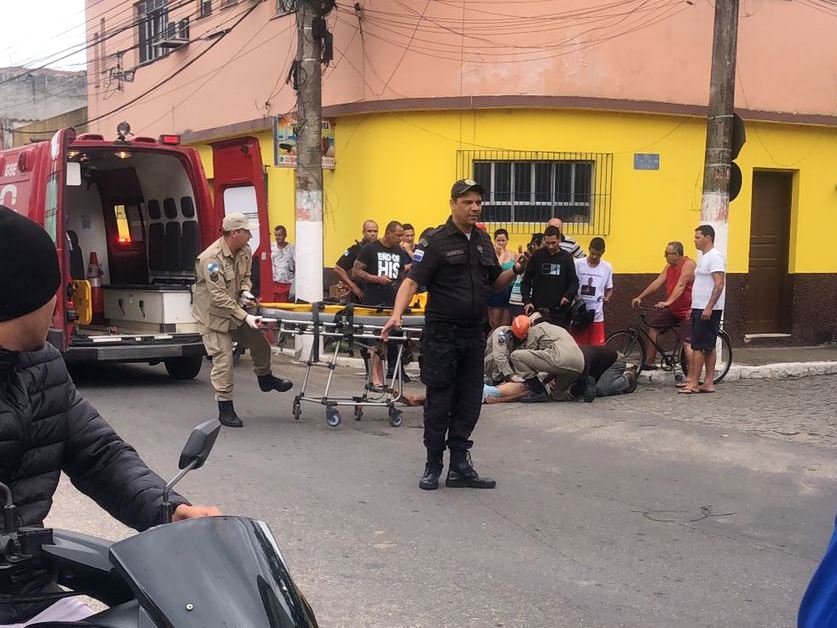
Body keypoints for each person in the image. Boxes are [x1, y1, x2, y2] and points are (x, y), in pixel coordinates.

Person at [0, 206, 220, 627]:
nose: (58, 303)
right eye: (51, 289)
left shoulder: (43, 365)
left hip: (30, 594)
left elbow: (98, 454)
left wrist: (168, 510)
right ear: (14, 299)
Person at [381, 178, 522, 491]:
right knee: (440, 401)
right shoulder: (435, 241)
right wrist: (396, 314)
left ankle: (460, 465)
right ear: (453, 204)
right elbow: (412, 282)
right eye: (468, 202)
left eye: (478, 202)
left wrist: (517, 269)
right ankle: (433, 464)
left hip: (474, 335)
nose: (474, 207)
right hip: (442, 336)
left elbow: (495, 283)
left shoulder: (484, 241)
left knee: (470, 401)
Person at [193, 213, 293, 428]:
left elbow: (245, 277)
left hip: (235, 311)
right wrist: (245, 316)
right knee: (224, 360)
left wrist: (246, 292)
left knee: (260, 344)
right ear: (235, 233)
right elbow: (218, 296)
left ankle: (265, 378)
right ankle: (225, 407)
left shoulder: (245, 251)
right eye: (247, 231)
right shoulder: (211, 259)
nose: (250, 235)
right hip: (213, 318)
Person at [352, 221, 406, 386]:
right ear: (388, 233)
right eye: (398, 235)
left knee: (386, 340)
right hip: (373, 300)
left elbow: (402, 272)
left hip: (392, 301)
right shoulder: (371, 249)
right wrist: (376, 279)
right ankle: (374, 377)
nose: (401, 238)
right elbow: (356, 271)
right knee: (373, 340)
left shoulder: (399, 251)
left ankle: (383, 376)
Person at [632, 241, 695, 370]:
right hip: (674, 309)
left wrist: (668, 302)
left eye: (667, 253)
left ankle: (692, 376)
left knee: (687, 342)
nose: (664, 256)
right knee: (654, 327)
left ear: (677, 254)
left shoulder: (688, 265)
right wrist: (640, 297)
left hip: (688, 311)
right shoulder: (669, 267)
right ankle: (649, 362)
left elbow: (681, 285)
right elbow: (657, 282)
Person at [680, 225, 726, 394]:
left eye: (698, 237)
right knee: (707, 346)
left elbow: (719, 283)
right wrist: (694, 307)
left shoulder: (714, 257)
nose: (695, 240)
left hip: (708, 309)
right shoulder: (705, 258)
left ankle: (693, 383)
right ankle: (707, 382)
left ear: (708, 237)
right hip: (699, 307)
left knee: (699, 346)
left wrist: (709, 307)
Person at [508, 313, 587, 403]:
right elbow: (550, 362)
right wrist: (545, 381)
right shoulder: (558, 328)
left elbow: (529, 355)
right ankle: (582, 391)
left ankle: (539, 392)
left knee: (516, 356)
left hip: (560, 359)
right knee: (558, 395)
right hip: (579, 363)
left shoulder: (535, 329)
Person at [520, 225, 579, 328]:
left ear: (559, 239)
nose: (550, 246)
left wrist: (567, 296)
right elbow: (526, 281)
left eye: (553, 243)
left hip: (559, 312)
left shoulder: (566, 258)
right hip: (538, 310)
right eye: (547, 243)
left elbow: (574, 282)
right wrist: (526, 301)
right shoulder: (537, 256)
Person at [571, 237, 613, 346]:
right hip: (580, 313)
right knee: (578, 347)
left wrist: (607, 298)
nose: (594, 257)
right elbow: (571, 284)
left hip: (597, 314)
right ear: (589, 249)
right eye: (592, 253)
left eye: (598, 255)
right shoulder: (578, 264)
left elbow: (609, 288)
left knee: (597, 349)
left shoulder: (607, 267)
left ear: (603, 252)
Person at [333, 220, 378, 303]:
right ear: (363, 232)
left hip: (377, 293)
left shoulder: (380, 249)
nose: (372, 234)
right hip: (361, 295)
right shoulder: (356, 249)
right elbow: (338, 268)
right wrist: (354, 287)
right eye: (369, 231)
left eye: (375, 231)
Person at [487, 228, 516, 330]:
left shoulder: (513, 254)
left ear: (507, 240)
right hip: (496, 289)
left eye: (503, 240)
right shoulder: (491, 254)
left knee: (506, 322)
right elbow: (497, 270)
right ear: (494, 241)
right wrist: (501, 254)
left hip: (509, 289)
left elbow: (516, 271)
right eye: (498, 240)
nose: (500, 243)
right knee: (494, 322)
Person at [270, 225, 295, 302]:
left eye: (280, 235)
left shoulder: (292, 248)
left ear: (285, 235)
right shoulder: (271, 247)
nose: (278, 237)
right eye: (276, 235)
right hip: (274, 282)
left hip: (287, 282)